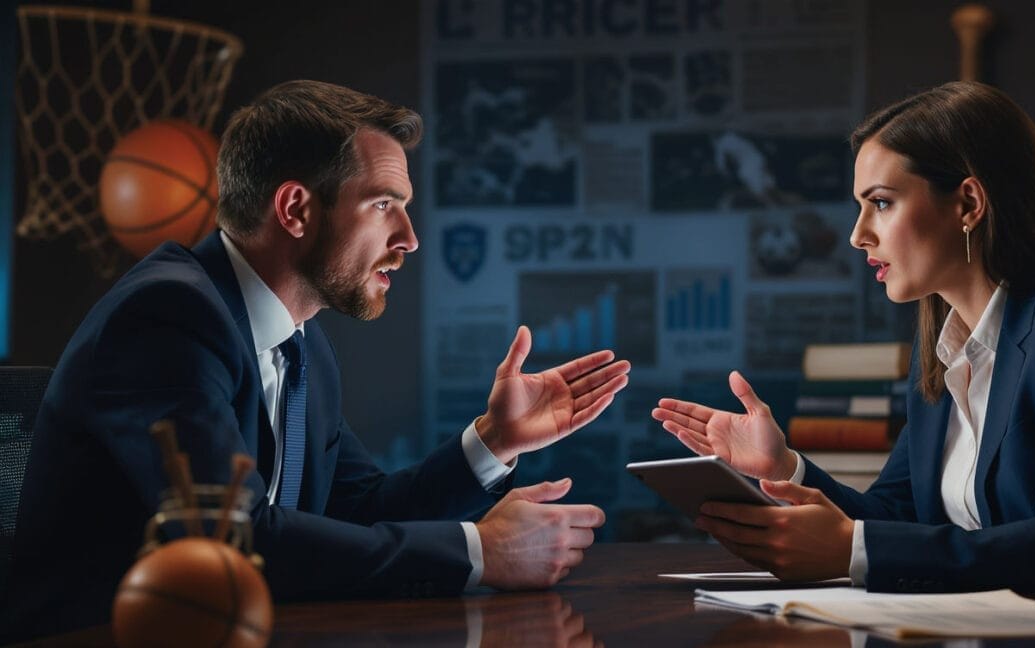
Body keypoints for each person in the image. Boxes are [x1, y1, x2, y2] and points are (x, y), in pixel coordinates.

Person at [1, 80, 631, 640]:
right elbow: (232, 539)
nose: (409, 238)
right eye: (384, 204)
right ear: (296, 209)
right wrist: (479, 552)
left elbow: (359, 514)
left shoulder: (302, 344)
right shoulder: (168, 316)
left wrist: (492, 442)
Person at [652, 81, 1035, 597]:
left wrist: (852, 550)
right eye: (860, 206)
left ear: (967, 204)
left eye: (882, 203)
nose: (857, 234)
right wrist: (785, 468)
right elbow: (898, 514)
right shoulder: (942, 341)